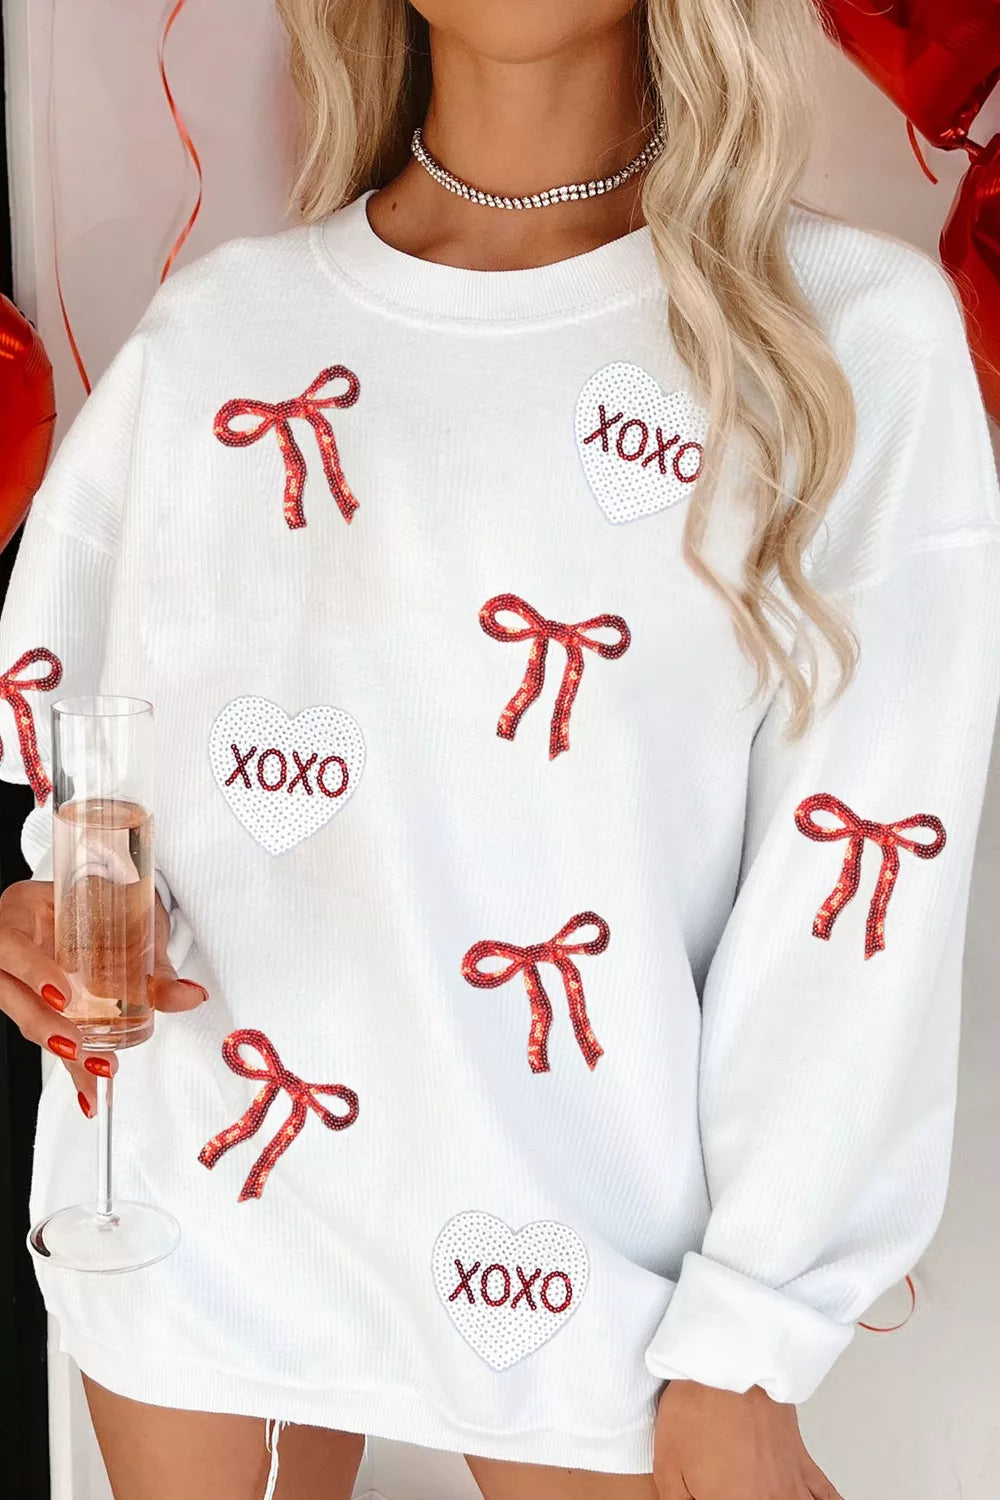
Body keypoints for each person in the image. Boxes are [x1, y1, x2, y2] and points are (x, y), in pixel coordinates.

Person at [1, 1, 999, 1496]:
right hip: (205, 1202)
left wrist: (751, 1337)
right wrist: (58, 909)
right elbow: (96, 770)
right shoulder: (221, 336)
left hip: (607, 1250)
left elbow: (862, 889)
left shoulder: (843, 334)